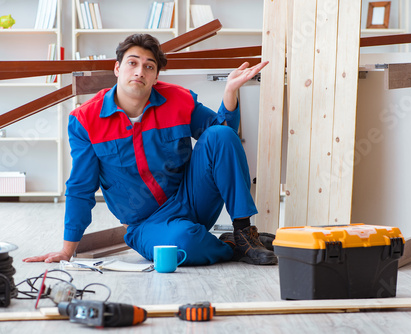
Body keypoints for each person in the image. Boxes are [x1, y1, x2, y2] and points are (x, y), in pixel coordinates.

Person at [23, 34, 276, 266]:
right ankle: (229, 245)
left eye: (149, 66)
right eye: (132, 63)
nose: (139, 71)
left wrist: (230, 92)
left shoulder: (179, 100)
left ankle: (244, 233)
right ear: (117, 68)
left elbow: (223, 139)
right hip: (146, 225)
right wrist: (67, 252)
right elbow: (81, 188)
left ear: (156, 77)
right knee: (182, 246)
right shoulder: (85, 120)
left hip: (192, 198)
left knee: (220, 134)